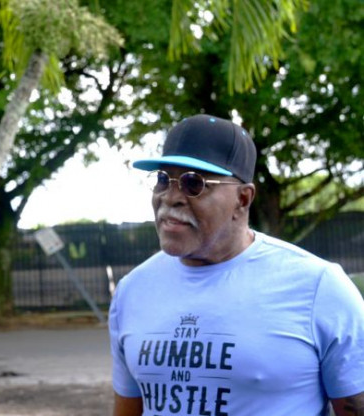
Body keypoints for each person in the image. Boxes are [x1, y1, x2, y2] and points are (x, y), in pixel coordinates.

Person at [109, 114, 364, 416]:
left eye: (194, 183)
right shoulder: (133, 290)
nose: (171, 197)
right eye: (163, 179)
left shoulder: (319, 287)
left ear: (243, 199)